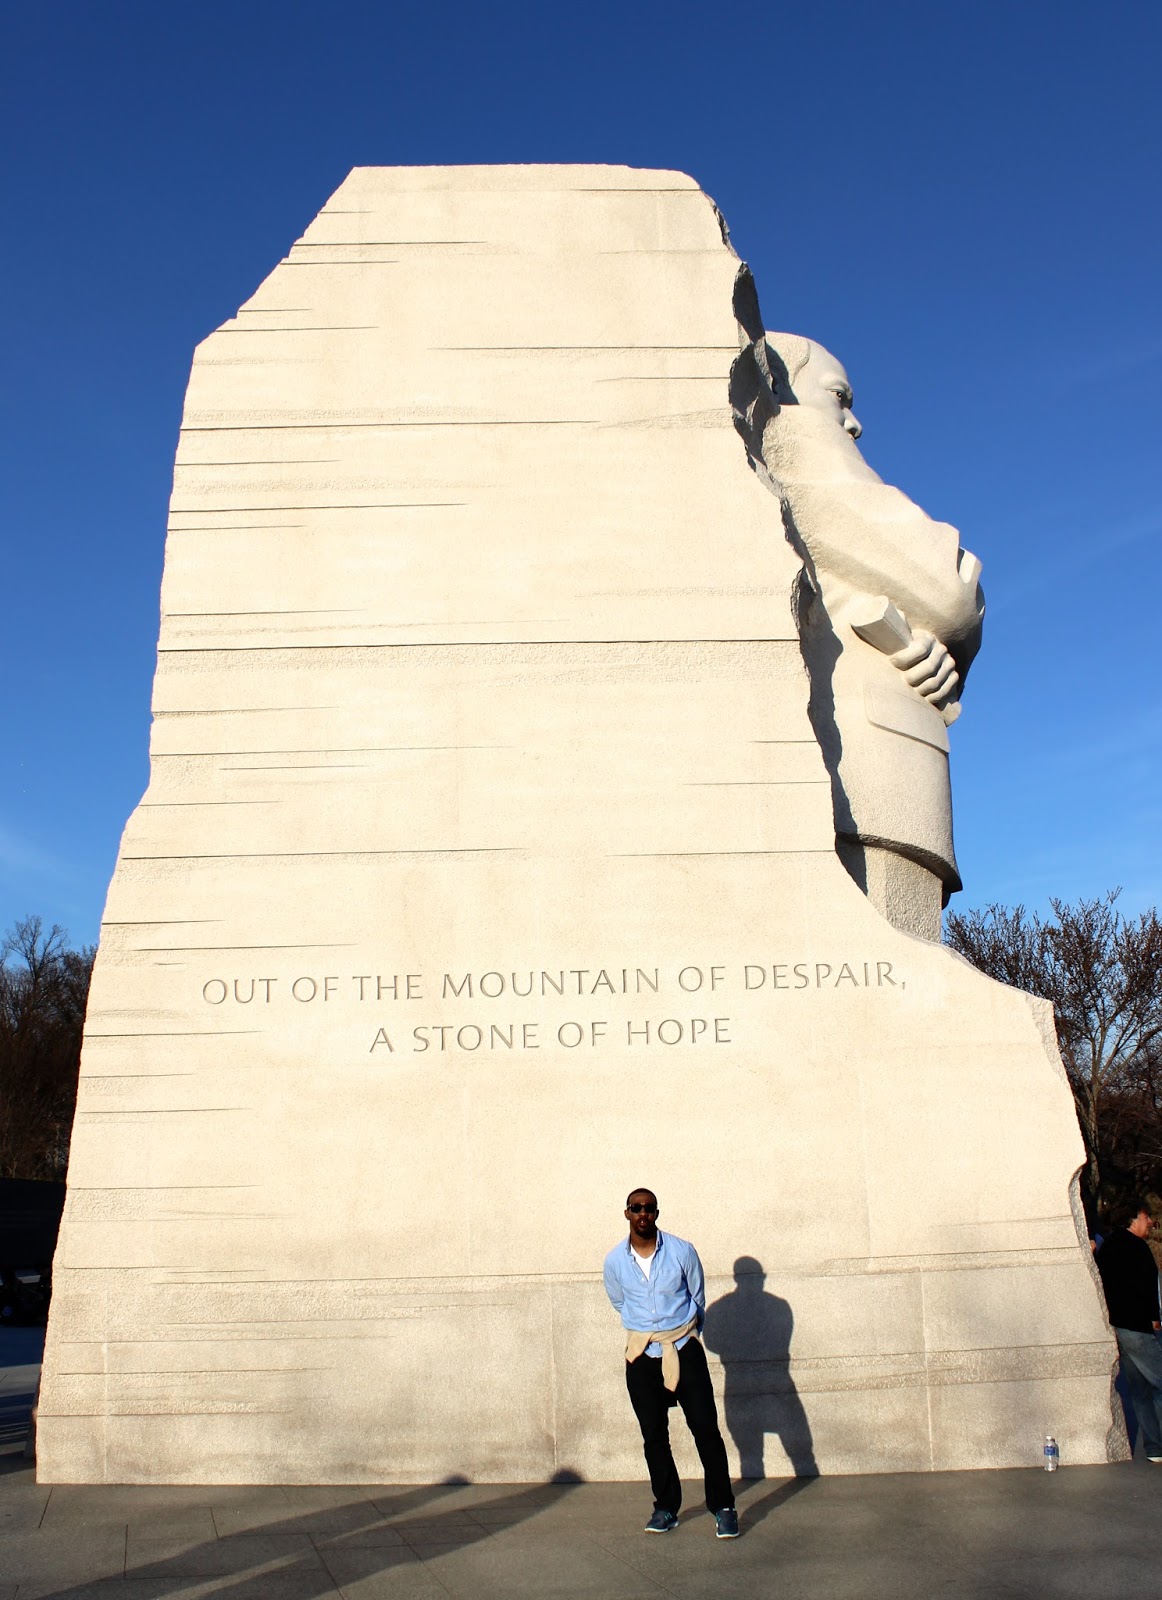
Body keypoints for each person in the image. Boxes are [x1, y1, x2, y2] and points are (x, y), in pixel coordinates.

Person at [602, 1188, 738, 1537]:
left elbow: (697, 1296)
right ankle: (666, 1508)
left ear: (657, 1213)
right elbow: (619, 1303)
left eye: (649, 1209)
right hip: (642, 1356)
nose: (643, 1214)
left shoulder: (681, 1251)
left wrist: (685, 1336)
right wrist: (648, 1334)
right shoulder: (615, 1261)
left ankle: (723, 1507)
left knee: (706, 1430)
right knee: (654, 1437)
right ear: (627, 1213)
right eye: (636, 1208)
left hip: (683, 1350)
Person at [1096, 1200, 1162, 1462]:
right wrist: (1154, 1318)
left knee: (1139, 1390)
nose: (1149, 1223)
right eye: (1146, 1217)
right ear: (1134, 1219)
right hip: (1137, 1326)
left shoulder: (1109, 1246)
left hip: (1117, 1325)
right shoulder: (1137, 1248)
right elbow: (1145, 1287)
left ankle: (1155, 1448)